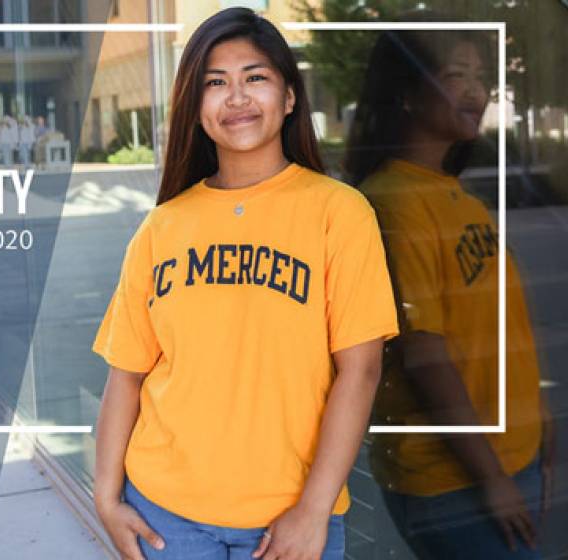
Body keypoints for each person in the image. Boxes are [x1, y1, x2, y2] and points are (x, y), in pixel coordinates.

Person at [92, 8, 400, 560]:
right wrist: (105, 499)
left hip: (294, 518)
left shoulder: (339, 212)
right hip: (165, 516)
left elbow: (362, 369)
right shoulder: (163, 226)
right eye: (216, 83)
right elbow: (127, 377)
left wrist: (313, 508)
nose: (236, 97)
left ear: (287, 98)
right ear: (196, 109)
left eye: (254, 77)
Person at [345, 23, 555, 560]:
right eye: (455, 75)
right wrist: (492, 479)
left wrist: (539, 424)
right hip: (452, 480)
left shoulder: (453, 194)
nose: (476, 91)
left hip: (509, 457)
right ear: (408, 95)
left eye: (481, 77)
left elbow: (496, 326)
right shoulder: (393, 203)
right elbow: (425, 355)